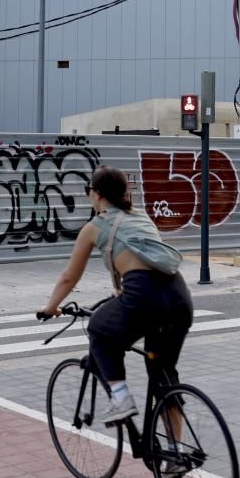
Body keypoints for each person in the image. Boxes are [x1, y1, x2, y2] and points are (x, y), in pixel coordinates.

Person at [39, 165, 194, 428]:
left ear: (96, 193)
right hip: (179, 296)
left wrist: (50, 307)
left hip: (144, 296)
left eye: (89, 190)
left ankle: (121, 399)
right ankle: (175, 457)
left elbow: (69, 277)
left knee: (99, 328)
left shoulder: (94, 226)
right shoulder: (141, 216)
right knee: (164, 379)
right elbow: (148, 259)